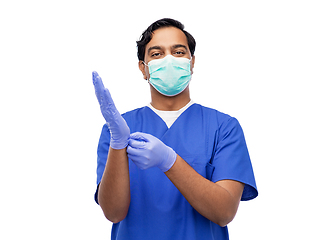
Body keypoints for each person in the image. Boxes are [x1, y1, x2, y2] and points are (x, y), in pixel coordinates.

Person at [93, 18, 258, 240]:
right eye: (156, 54)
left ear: (191, 63)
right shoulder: (118, 130)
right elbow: (113, 212)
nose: (168, 59)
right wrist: (117, 143)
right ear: (143, 68)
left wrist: (169, 160)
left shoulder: (224, 127)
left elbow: (224, 212)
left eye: (178, 52)